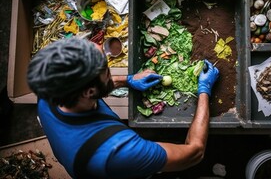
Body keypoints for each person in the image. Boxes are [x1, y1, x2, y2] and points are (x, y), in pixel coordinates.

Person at [27, 37, 219, 179]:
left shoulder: (49, 93)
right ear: (89, 91)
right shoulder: (120, 150)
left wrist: (128, 81)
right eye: (106, 68)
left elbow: (94, 88)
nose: (109, 67)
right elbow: (195, 152)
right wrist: (204, 91)